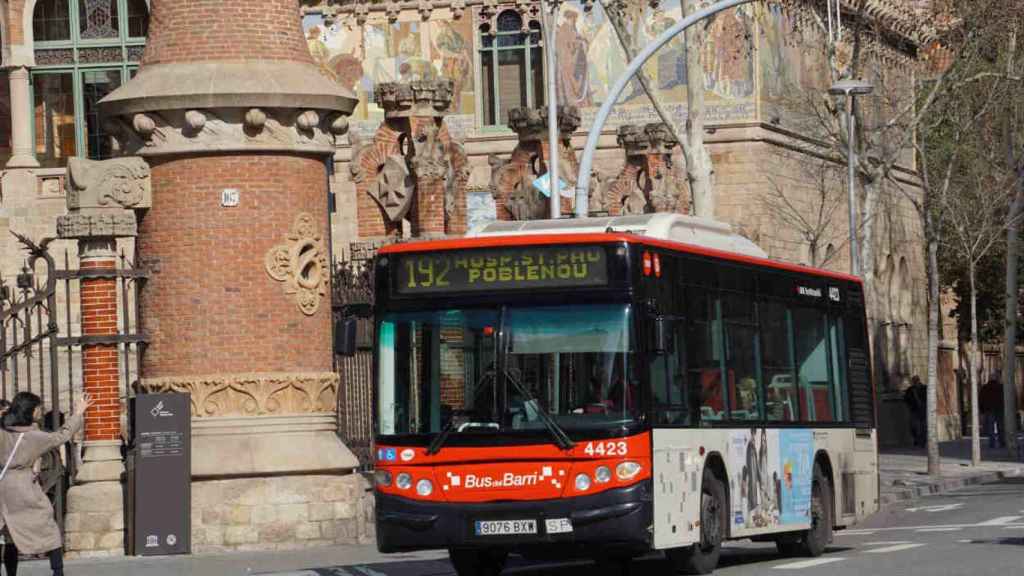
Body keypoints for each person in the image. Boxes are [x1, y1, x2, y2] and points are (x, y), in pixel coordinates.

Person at [0, 391, 93, 576]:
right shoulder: (35, 437)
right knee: (49, 530)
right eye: (38, 408)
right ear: (31, 411)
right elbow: (62, 436)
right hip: (23, 487)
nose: (40, 411)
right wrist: (78, 413)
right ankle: (58, 573)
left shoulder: (3, 431)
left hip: (3, 486)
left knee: (7, 534)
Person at [980, 377, 1005, 449]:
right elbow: (1003, 398)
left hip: (989, 409)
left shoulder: (985, 388)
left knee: (990, 427)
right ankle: (1002, 442)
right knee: (1000, 426)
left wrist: (982, 410)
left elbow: (981, 399)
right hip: (999, 409)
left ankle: (992, 443)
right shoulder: (1001, 387)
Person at [903, 376, 927, 447]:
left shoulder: (924, 388)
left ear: (919, 381)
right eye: (913, 382)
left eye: (916, 381)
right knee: (913, 426)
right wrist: (910, 405)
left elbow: (927, 398)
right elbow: (906, 399)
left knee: (923, 427)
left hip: (923, 410)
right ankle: (916, 439)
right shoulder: (910, 390)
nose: (915, 383)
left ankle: (923, 441)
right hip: (914, 410)